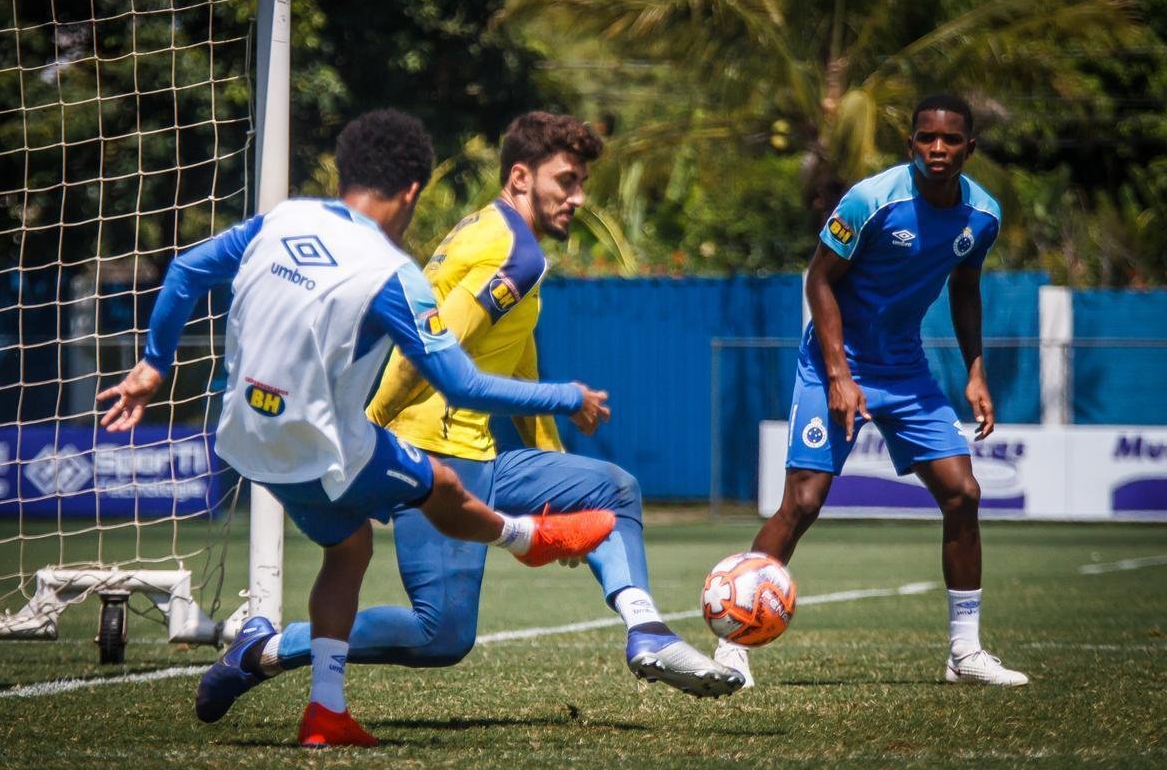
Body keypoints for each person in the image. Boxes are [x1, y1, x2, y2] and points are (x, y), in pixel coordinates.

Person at [96, 109, 618, 748]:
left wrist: (153, 365)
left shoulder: (281, 220)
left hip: (241, 442)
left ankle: (326, 710)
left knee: (349, 549)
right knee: (443, 487)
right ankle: (524, 536)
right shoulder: (393, 274)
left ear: (346, 173)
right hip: (326, 450)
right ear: (413, 192)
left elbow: (184, 272)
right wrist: (566, 396)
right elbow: (461, 385)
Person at [203, 111, 744, 712]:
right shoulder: (516, 253)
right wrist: (370, 439)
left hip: (475, 452)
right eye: (565, 180)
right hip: (435, 450)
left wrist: (553, 464)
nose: (578, 197)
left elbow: (518, 359)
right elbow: (437, 350)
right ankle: (264, 647)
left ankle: (646, 630)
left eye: (581, 182)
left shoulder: (493, 233)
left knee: (611, 491)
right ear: (520, 176)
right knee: (441, 635)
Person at [715, 94, 1029, 688]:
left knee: (962, 492)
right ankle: (733, 644)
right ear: (911, 145)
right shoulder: (871, 199)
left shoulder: (982, 216)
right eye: (926, 139)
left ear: (970, 147)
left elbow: (965, 290)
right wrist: (838, 374)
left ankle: (965, 653)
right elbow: (819, 281)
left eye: (951, 139)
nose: (938, 149)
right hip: (832, 362)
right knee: (803, 503)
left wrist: (976, 371)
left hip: (905, 369)